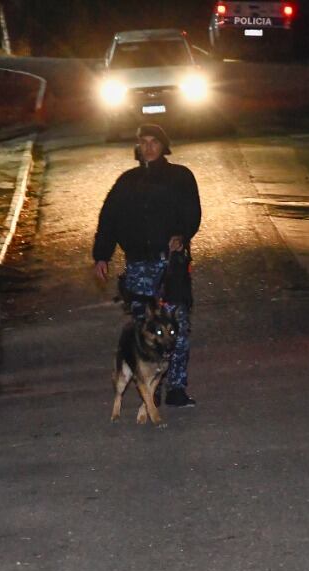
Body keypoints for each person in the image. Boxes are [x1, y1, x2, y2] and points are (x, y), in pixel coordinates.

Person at [93, 123, 201, 407]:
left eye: (154, 142)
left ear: (163, 146)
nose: (149, 147)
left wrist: (181, 235)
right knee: (145, 329)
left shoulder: (180, 177)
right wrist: (101, 255)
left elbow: (192, 212)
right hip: (138, 266)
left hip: (170, 265)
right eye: (144, 142)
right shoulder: (127, 182)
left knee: (176, 325)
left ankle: (176, 387)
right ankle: (150, 387)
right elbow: (109, 218)